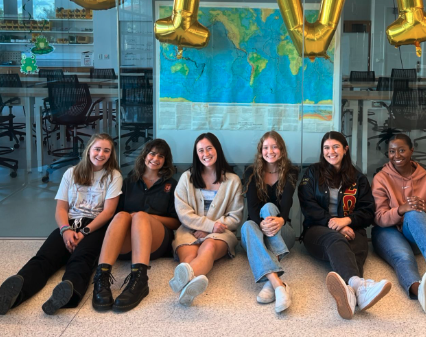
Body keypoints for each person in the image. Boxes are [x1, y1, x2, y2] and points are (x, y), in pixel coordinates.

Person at [0, 133, 122, 315]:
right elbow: (61, 208)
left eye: (106, 151)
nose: (101, 154)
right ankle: (17, 291)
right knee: (44, 258)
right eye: (97, 149)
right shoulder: (71, 172)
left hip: (95, 227)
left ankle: (67, 294)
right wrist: (65, 230)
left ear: (111, 154)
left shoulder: (113, 176)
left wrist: (85, 232)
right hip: (69, 225)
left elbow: (109, 212)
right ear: (89, 151)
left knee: (81, 259)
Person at [298, 131, 391, 320]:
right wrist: (336, 225)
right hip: (317, 230)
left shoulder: (358, 178)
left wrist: (347, 221)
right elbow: (308, 206)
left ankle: (350, 293)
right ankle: (360, 287)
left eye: (335, 147)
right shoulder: (312, 173)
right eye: (326, 147)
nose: (330, 151)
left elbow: (368, 211)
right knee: (336, 239)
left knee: (356, 248)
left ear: (345, 149)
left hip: (352, 228)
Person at [92, 139, 180, 312]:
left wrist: (147, 217)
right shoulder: (129, 181)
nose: (155, 158)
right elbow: (116, 217)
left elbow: (175, 222)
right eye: (152, 153)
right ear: (145, 155)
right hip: (126, 245)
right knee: (122, 215)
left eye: (161, 156)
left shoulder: (172, 185)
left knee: (140, 216)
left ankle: (139, 279)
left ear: (166, 160)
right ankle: (102, 278)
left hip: (156, 242)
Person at [371, 134, 426, 315]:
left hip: (416, 235)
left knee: (415, 211)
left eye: (402, 150)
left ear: (412, 151)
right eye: (391, 151)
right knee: (403, 258)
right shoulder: (381, 178)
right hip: (387, 232)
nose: (396, 155)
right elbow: (379, 218)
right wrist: (400, 210)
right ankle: (420, 291)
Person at [170, 132, 244, 306]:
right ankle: (187, 290)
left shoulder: (233, 180)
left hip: (221, 232)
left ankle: (180, 284)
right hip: (189, 230)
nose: (206, 154)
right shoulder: (186, 178)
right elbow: (183, 213)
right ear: (196, 154)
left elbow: (235, 216)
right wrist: (209, 225)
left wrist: (211, 229)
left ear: (217, 149)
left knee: (208, 246)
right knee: (189, 257)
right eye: (201, 150)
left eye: (209, 148)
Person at [240, 131, 297, 313]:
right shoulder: (250, 171)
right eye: (266, 147)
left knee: (269, 208)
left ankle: (270, 278)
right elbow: (252, 208)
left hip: (283, 231)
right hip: (257, 232)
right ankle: (278, 285)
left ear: (281, 149)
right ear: (260, 150)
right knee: (248, 225)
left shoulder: (291, 171)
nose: (270, 151)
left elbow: (286, 205)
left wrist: (280, 219)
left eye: (274, 147)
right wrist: (262, 224)